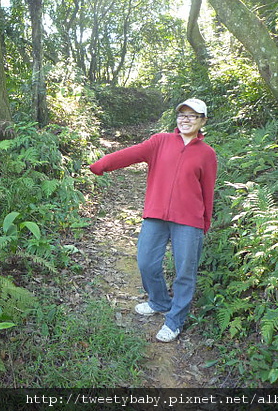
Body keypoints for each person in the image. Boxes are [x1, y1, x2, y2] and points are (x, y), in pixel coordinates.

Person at [89, 98, 217, 342]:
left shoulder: (207, 154)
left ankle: (175, 320)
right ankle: (159, 301)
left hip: (189, 221)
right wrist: (101, 165)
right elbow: (131, 154)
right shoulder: (160, 142)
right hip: (156, 215)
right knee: (146, 262)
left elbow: (207, 191)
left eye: (192, 116)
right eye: (182, 115)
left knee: (185, 272)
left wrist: (205, 222)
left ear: (202, 121)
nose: (185, 119)